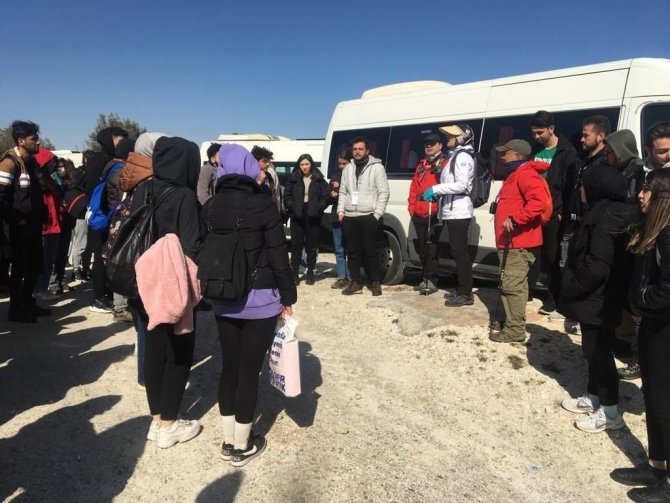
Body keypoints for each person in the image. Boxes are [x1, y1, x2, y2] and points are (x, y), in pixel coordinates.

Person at [205, 144, 296, 467]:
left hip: (223, 297)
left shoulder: (211, 205)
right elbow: (278, 254)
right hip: (260, 298)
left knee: (230, 367)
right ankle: (243, 445)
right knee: (249, 371)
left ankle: (228, 439)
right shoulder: (263, 204)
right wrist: (288, 296)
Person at [131, 136, 203, 449]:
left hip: (143, 281)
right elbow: (192, 246)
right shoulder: (184, 195)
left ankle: (156, 418)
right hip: (172, 284)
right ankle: (169, 425)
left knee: (154, 351)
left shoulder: (144, 188)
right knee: (179, 353)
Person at [558, 163, 640, 433]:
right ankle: (593, 397)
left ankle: (610, 411)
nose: (580, 190)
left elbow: (597, 265)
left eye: (583, 185)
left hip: (598, 297)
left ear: (597, 186)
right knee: (593, 349)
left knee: (598, 353)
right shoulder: (614, 212)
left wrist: (572, 287)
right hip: (604, 297)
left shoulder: (606, 218)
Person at [611, 169, 670, 502]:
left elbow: (668, 291)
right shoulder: (656, 230)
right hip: (653, 324)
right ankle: (657, 466)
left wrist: (642, 299)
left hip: (665, 329)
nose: (640, 194)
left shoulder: (669, 235)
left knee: (664, 404)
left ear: (662, 196)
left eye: (647, 190)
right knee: (653, 399)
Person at [117, 132, 169, 391]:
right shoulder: (152, 177)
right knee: (150, 318)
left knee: (141, 314)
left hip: (129, 253)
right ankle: (147, 377)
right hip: (146, 252)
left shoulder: (130, 171)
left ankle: (144, 370)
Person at [489, 139, 546, 343]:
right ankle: (511, 322)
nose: (502, 157)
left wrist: (515, 219)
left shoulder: (525, 174)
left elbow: (539, 202)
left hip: (519, 242)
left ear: (517, 155)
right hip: (512, 241)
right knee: (516, 285)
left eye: (505, 153)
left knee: (512, 285)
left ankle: (514, 330)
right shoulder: (516, 174)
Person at [527, 110, 578, 318]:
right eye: (534, 133)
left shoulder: (566, 151)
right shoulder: (535, 150)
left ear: (551, 129)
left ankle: (552, 297)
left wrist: (562, 212)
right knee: (532, 254)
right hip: (533, 211)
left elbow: (569, 186)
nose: (536, 136)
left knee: (553, 257)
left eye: (540, 132)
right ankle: (528, 291)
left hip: (553, 213)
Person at [0, 120, 50, 323]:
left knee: (35, 266)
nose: (38, 142)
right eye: (33, 139)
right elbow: (1, 197)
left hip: (33, 225)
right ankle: (15, 309)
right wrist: (14, 219)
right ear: (21, 141)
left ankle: (28, 303)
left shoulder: (32, 163)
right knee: (19, 269)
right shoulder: (9, 163)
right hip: (18, 228)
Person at [422, 124, 476, 305]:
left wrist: (436, 189)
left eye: (451, 136)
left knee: (460, 252)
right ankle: (461, 289)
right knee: (457, 251)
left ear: (462, 138)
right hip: (452, 211)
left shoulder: (462, 157)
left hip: (459, 211)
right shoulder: (456, 155)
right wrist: (438, 193)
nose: (448, 138)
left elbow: (462, 185)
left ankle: (466, 293)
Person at [337, 137, 390, 296]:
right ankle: (356, 282)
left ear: (367, 151)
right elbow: (343, 191)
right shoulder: (348, 168)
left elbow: (384, 192)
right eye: (355, 149)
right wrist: (341, 211)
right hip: (349, 216)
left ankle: (375, 282)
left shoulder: (377, 168)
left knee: (370, 251)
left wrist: (377, 214)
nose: (357, 152)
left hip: (368, 215)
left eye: (360, 149)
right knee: (352, 251)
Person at [85, 127, 128, 313]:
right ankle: (99, 298)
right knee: (100, 257)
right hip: (101, 217)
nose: (121, 145)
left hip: (106, 215)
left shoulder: (110, 160)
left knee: (106, 256)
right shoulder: (100, 160)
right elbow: (93, 190)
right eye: (119, 140)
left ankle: (107, 294)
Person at [408, 133, 447, 295]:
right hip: (418, 212)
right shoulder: (421, 165)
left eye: (432, 143)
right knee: (422, 249)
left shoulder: (445, 163)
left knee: (432, 248)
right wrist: (411, 207)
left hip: (434, 212)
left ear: (440, 145)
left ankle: (432, 280)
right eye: (426, 144)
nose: (429, 146)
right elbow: (414, 187)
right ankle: (424, 278)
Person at [284, 153, 329, 285]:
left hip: (313, 214)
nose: (304, 167)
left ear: (311, 165)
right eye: (302, 164)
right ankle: (295, 273)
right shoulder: (293, 178)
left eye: (307, 164)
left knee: (311, 246)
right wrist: (291, 207)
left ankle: (310, 272)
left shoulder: (318, 178)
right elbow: (287, 195)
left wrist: (319, 207)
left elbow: (325, 196)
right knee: (296, 245)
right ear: (299, 165)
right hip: (297, 215)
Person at [33, 148, 61, 302]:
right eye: (50, 163)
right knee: (40, 261)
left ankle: (43, 288)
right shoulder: (36, 181)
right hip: (44, 227)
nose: (53, 166)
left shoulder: (51, 180)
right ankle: (37, 289)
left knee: (49, 260)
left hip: (54, 226)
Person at [329, 148, 352, 289]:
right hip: (336, 216)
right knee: (339, 249)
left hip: (350, 216)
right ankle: (341, 277)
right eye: (340, 164)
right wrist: (332, 193)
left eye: (344, 163)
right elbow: (328, 194)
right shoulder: (335, 176)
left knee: (351, 248)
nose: (342, 166)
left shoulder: (354, 176)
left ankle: (352, 277)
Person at [252, 146, 282, 216]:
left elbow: (274, 196)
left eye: (268, 161)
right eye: (264, 161)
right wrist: (259, 182)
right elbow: (248, 196)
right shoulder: (249, 176)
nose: (268, 164)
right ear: (255, 162)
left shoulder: (269, 176)